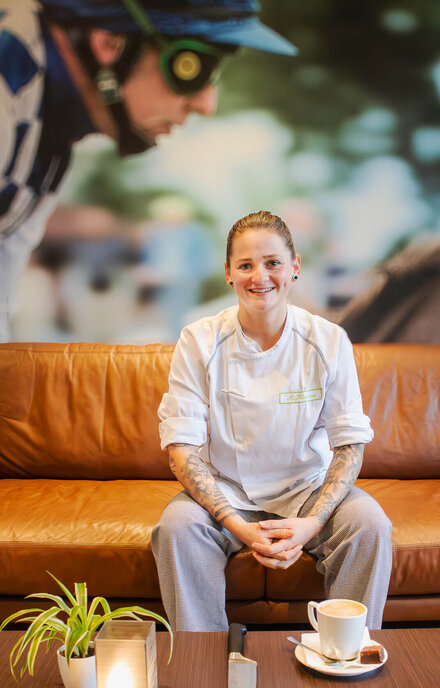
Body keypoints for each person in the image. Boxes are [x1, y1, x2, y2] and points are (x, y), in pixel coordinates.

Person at [152, 210, 392, 632]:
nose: (259, 276)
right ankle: (201, 659)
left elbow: (350, 443)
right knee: (176, 527)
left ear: (295, 267)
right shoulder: (199, 340)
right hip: (227, 488)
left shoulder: (328, 340)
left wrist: (312, 523)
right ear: (228, 273)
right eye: (245, 265)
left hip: (307, 490)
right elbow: (181, 447)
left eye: (272, 263)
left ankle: (349, 651)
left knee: (369, 524)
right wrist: (237, 525)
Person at [0, 0, 296, 341]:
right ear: (109, 41)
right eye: (194, 67)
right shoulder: (10, 79)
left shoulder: (52, 134)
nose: (206, 104)